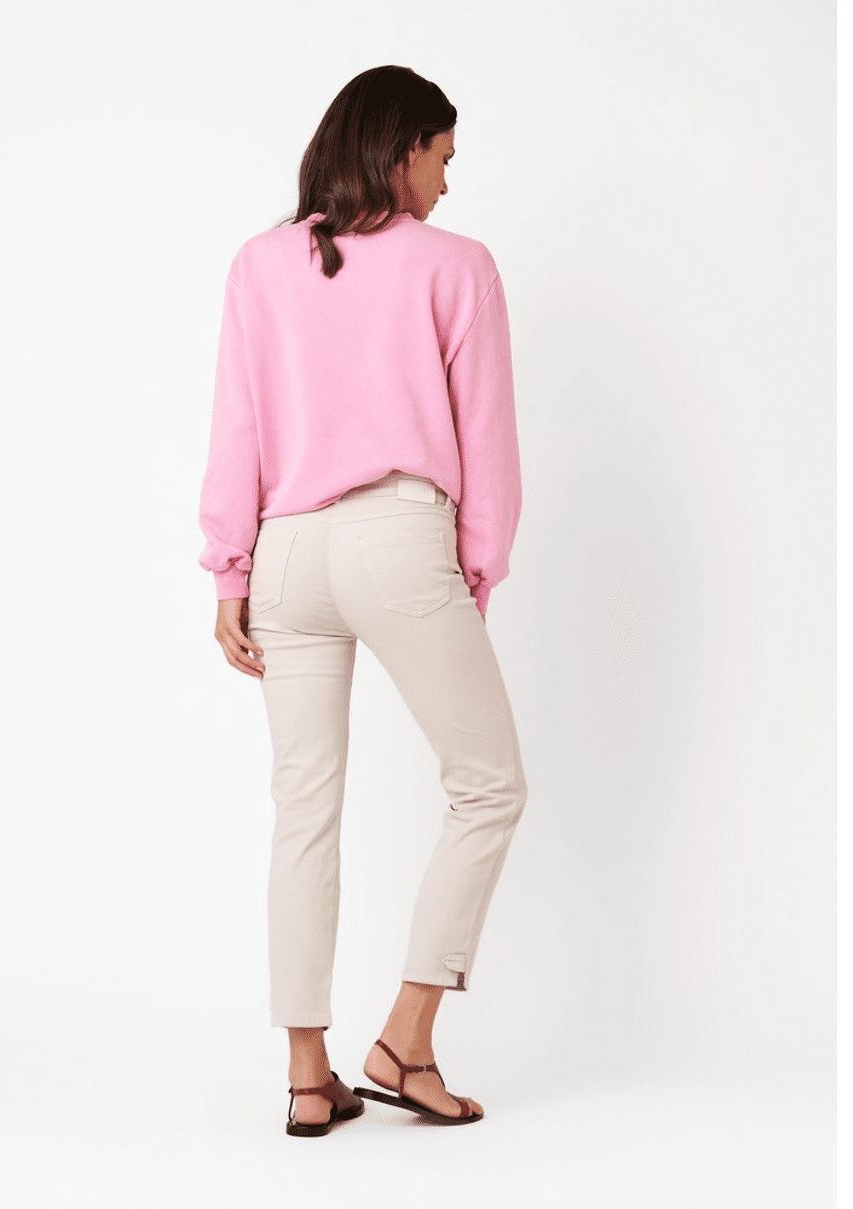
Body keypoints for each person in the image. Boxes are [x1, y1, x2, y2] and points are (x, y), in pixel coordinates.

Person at [197, 65, 527, 1136]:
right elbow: (487, 442)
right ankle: (407, 1039)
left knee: (303, 810)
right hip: (396, 538)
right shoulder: (457, 266)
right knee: (488, 786)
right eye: (442, 156)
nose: (447, 181)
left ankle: (308, 1075)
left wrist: (230, 571)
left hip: (284, 550)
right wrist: (476, 572)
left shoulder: (260, 263)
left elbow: (237, 424)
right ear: (401, 148)